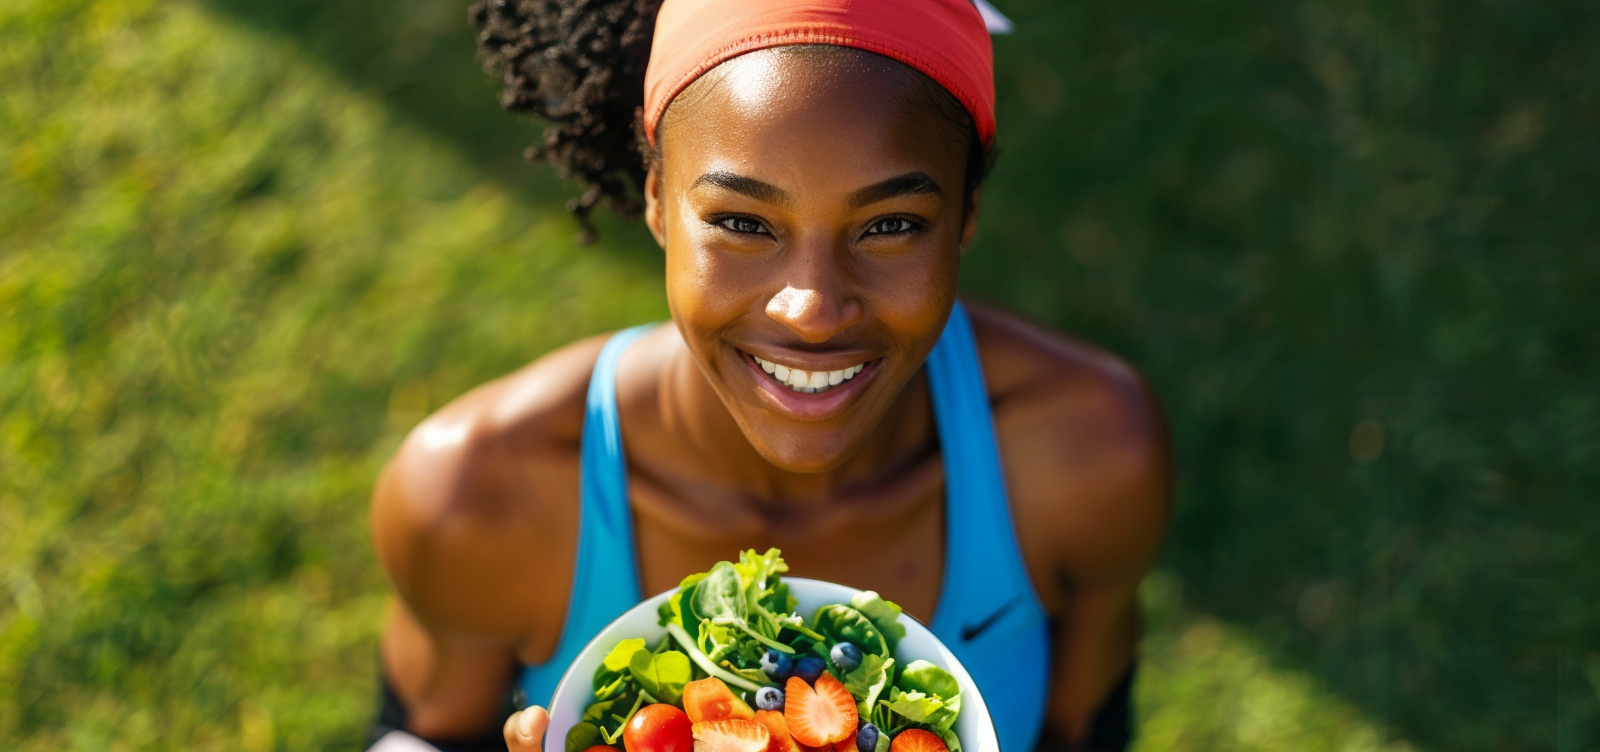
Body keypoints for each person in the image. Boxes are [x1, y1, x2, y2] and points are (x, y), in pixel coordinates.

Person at [367, 1, 1171, 750]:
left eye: (891, 225)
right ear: (656, 200)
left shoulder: (1088, 452)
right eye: (744, 223)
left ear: (963, 218)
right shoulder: (477, 494)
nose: (813, 310)